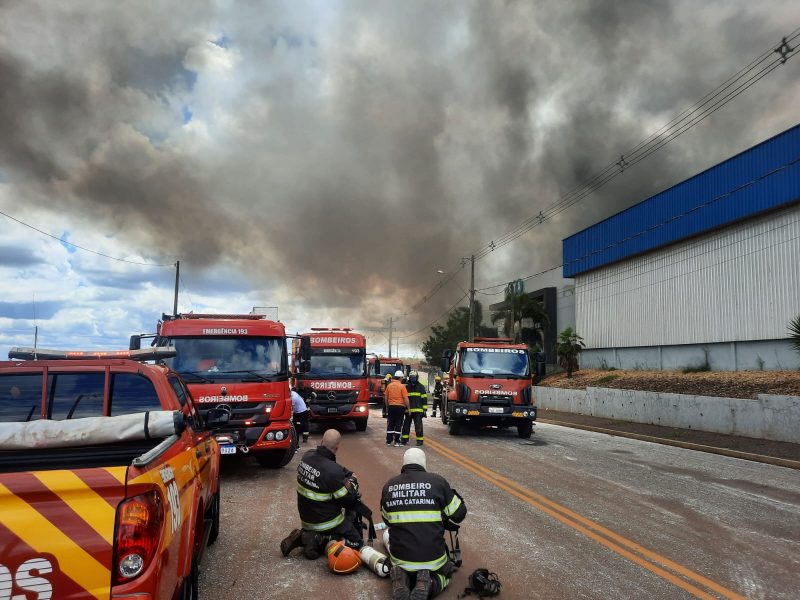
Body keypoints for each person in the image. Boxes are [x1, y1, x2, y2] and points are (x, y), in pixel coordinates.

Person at [381, 448, 467, 600]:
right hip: (433, 559)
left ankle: (402, 576)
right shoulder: (438, 482)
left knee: (400, 559)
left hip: (400, 558)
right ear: (424, 463)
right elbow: (459, 515)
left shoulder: (389, 486)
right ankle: (431, 584)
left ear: (404, 463)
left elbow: (387, 520)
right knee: (446, 573)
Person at [280, 429, 364, 559]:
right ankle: (318, 539)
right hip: (327, 522)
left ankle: (304, 536)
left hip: (307, 520)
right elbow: (348, 500)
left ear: (321, 441)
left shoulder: (307, 456)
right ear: (336, 449)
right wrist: (352, 482)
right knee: (356, 542)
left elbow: (333, 469)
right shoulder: (333, 472)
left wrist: (347, 474)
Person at [400, 371, 426, 446]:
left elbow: (424, 399)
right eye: (411, 377)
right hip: (408, 410)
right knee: (406, 426)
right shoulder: (406, 387)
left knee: (418, 426)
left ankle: (419, 441)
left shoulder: (421, 387)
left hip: (418, 411)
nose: (413, 379)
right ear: (409, 378)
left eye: (414, 377)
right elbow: (404, 398)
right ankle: (404, 440)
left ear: (417, 377)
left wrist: (424, 410)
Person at [385, 370, 409, 446]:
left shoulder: (389, 386)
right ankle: (397, 441)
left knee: (391, 423)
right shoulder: (402, 386)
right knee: (398, 424)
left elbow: (386, 397)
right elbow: (406, 398)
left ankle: (389, 441)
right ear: (400, 378)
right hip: (400, 407)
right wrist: (408, 408)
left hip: (391, 406)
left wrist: (387, 406)